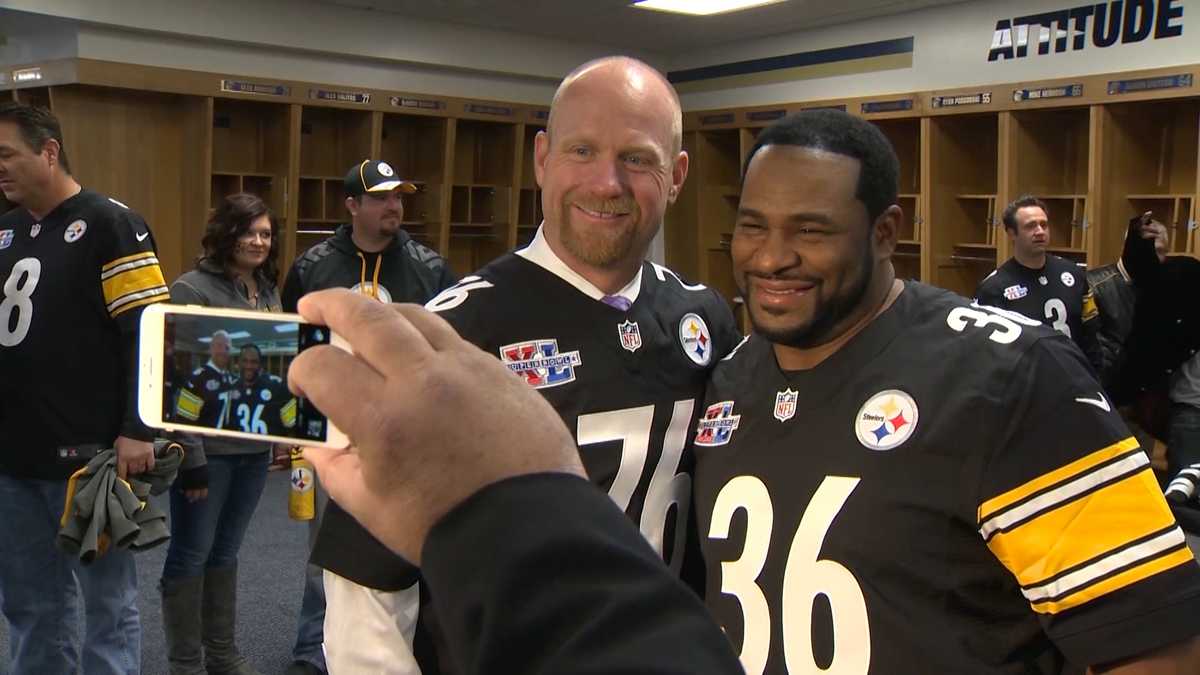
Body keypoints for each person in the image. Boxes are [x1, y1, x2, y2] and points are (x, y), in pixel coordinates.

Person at [690, 109, 1200, 673]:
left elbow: (1154, 643)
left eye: (810, 230)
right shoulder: (732, 376)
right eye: (753, 225)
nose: (770, 257)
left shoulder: (1012, 376)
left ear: (885, 232)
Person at [290, 290, 745, 675]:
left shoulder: (707, 317)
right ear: (540, 176)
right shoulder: (457, 319)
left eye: (643, 174)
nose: (608, 181)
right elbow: (366, 588)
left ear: (676, 180)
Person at [0, 102, 168, 674]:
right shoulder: (6, 228)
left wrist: (139, 428)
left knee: (107, 606)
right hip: (14, 456)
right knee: (28, 603)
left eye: (6, 155)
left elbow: (150, 333)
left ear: (49, 152)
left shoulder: (110, 223)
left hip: (90, 458)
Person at [281, 158, 456, 675]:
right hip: (329, 423)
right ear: (352, 205)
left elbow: (450, 348)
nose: (394, 207)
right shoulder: (313, 266)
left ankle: (416, 647)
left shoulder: (429, 267)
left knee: (407, 543)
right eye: (381, 197)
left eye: (399, 197)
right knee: (327, 545)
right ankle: (312, 651)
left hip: (406, 428)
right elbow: (293, 345)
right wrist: (287, 421)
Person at [161, 192, 283, 675]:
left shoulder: (268, 289)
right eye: (249, 231)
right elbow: (177, 381)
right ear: (225, 234)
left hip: (253, 449)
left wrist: (280, 431)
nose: (258, 241)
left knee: (226, 551)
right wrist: (189, 455)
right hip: (206, 451)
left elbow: (276, 365)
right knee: (191, 552)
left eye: (266, 233)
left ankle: (222, 654)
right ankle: (186, 663)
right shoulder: (191, 289)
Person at [975, 195, 1100, 365]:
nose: (1040, 231)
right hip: (1027, 383)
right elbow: (988, 352)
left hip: (1074, 377)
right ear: (1012, 233)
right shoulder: (994, 288)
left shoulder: (1073, 273)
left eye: (1044, 225)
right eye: (1030, 226)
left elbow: (1090, 334)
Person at [229, 343, 297, 437]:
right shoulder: (231, 387)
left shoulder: (278, 386)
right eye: (245, 361)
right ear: (238, 363)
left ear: (260, 365)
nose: (249, 366)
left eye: (254, 362)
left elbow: (292, 427)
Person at [175, 330, 235, 429]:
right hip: (205, 442)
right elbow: (184, 423)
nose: (223, 351)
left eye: (227, 348)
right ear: (211, 348)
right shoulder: (196, 379)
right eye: (219, 345)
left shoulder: (231, 379)